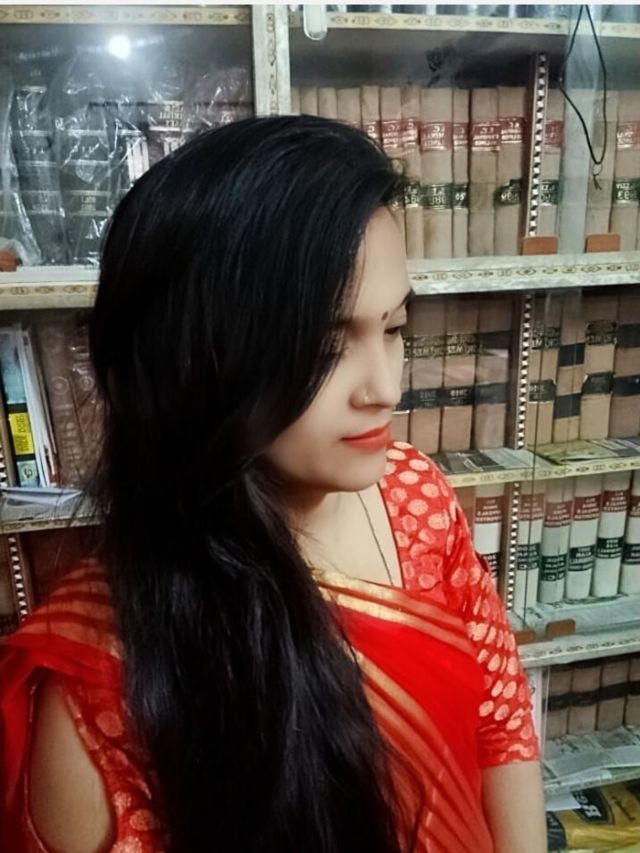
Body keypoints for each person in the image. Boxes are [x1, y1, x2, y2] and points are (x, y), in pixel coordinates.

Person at [0, 116, 546, 853]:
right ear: (198, 362)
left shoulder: (416, 496)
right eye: (324, 348)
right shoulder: (99, 685)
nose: (384, 389)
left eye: (393, 328)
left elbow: (499, 721)